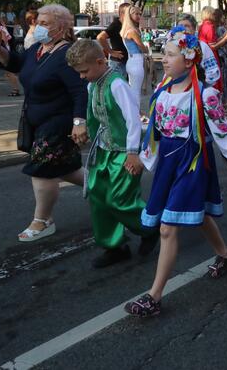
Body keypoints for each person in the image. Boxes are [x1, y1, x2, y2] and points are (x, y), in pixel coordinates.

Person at [124, 31, 227, 317]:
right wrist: (143, 159)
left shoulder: (205, 94)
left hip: (191, 162)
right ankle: (225, 255)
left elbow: (223, 130)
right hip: (169, 163)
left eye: (170, 55)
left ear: (189, 59)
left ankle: (154, 297)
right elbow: (155, 133)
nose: (164, 59)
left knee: (168, 227)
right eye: (164, 54)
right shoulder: (162, 90)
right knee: (198, 212)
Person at [0, 4, 88, 241]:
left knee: (42, 169)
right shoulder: (37, 49)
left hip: (58, 123)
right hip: (36, 121)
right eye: (37, 22)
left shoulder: (68, 55)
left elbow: (79, 92)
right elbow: (16, 64)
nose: (38, 27)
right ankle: (110, 190)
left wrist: (79, 122)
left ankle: (42, 221)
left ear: (62, 27)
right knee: (68, 170)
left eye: (44, 23)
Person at [66, 40, 159, 268]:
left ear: (100, 62)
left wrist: (132, 153)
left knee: (119, 199)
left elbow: (132, 120)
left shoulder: (117, 84)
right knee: (98, 196)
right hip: (103, 151)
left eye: (84, 71)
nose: (81, 77)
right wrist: (84, 130)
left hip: (123, 153)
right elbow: (93, 114)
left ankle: (149, 228)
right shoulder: (93, 84)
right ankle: (114, 245)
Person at [176, 13, 220, 86]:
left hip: (196, 90)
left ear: (193, 29)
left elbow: (212, 71)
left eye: (187, 26)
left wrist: (203, 88)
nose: (183, 29)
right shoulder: (173, 45)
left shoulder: (202, 46)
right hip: (176, 89)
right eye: (180, 26)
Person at [120, 5, 149, 104]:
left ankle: (132, 114)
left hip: (131, 61)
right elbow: (142, 48)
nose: (138, 16)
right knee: (136, 93)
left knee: (133, 91)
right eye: (136, 13)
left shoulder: (127, 29)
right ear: (129, 15)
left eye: (139, 14)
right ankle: (136, 116)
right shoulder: (132, 31)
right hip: (136, 62)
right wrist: (146, 48)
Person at [97, 3, 131, 77]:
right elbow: (100, 37)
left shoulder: (127, 24)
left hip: (125, 62)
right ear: (122, 13)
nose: (131, 14)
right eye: (129, 12)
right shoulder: (116, 24)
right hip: (118, 63)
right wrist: (111, 52)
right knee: (117, 86)